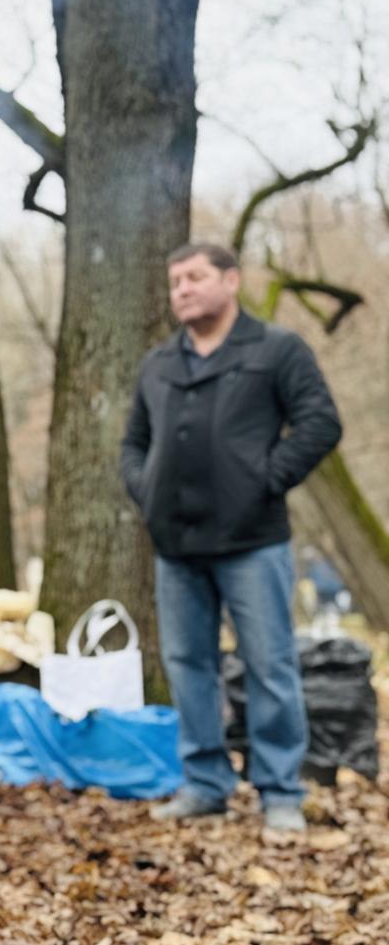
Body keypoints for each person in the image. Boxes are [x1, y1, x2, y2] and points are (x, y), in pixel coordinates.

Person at [121, 241, 342, 834]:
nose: (183, 290)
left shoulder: (275, 349)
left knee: (269, 663)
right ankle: (205, 784)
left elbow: (320, 422)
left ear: (231, 281)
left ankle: (280, 792)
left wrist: (265, 481)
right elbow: (133, 443)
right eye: (175, 282)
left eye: (195, 278)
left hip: (254, 540)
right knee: (188, 664)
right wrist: (147, 491)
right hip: (176, 544)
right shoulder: (158, 364)